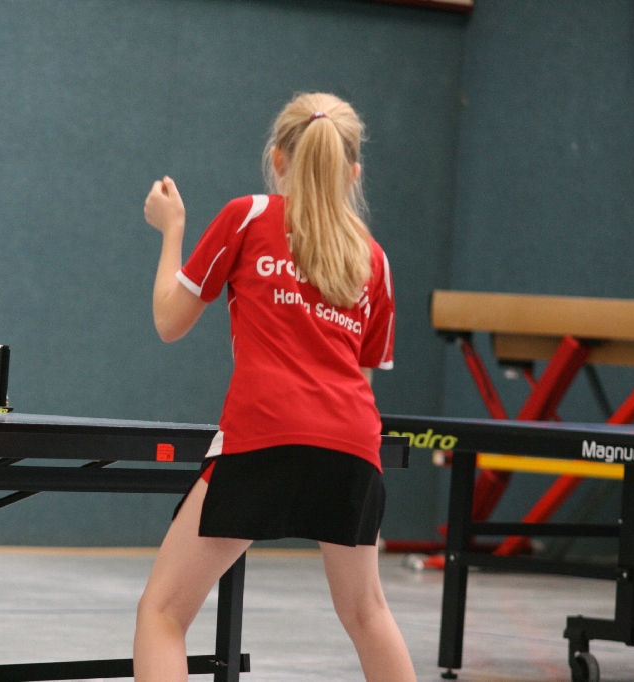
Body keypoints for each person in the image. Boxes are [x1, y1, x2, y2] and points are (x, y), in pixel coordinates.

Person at [134, 92, 416, 682]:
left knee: (163, 613)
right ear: (353, 172)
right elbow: (361, 377)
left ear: (277, 159)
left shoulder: (248, 215)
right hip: (352, 445)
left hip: (262, 435)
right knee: (368, 614)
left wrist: (172, 229)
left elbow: (168, 321)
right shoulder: (373, 258)